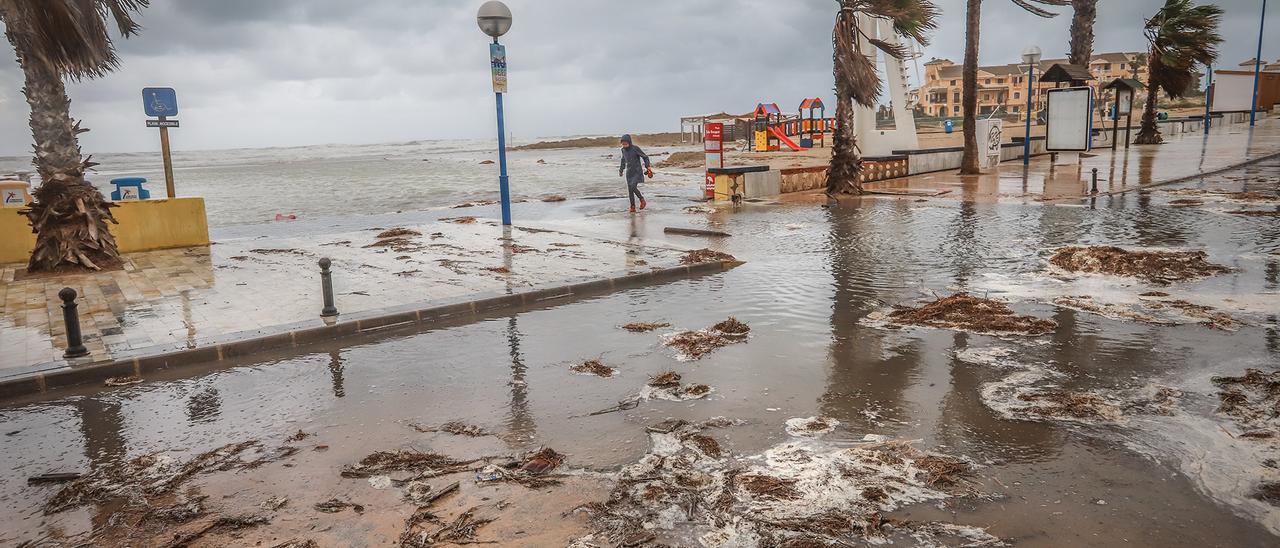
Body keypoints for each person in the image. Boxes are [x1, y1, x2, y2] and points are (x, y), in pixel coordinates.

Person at [618, 134, 651, 213]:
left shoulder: (635, 148)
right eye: (623, 144)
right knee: (630, 190)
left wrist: (648, 166)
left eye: (626, 143)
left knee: (633, 186)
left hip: (637, 171)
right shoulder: (623, 150)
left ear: (629, 142)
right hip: (629, 172)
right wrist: (621, 170)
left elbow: (645, 157)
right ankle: (632, 207)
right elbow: (623, 160)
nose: (624, 145)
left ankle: (642, 200)